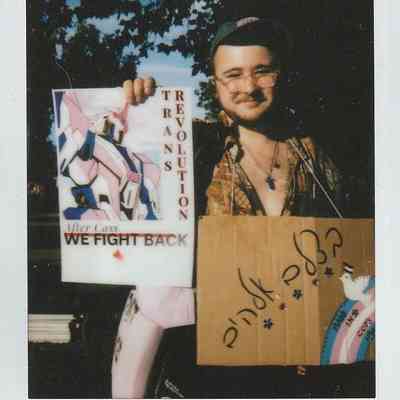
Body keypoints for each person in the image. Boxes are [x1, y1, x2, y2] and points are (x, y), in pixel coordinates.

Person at [111, 17, 373, 398]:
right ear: (215, 83)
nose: (249, 87)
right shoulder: (190, 151)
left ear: (280, 74)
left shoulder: (320, 157)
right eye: (233, 74)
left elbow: (350, 255)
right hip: (204, 371)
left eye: (262, 71)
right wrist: (135, 107)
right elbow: (125, 162)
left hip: (304, 372)